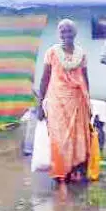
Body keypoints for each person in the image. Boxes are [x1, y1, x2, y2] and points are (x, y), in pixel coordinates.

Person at [37, 19, 93, 182]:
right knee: (59, 136)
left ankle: (75, 171)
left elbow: (85, 78)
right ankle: (61, 171)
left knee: (78, 136)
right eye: (63, 31)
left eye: (69, 31)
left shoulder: (81, 53)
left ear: (74, 33)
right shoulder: (52, 52)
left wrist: (88, 102)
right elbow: (44, 78)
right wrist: (40, 104)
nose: (66, 34)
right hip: (57, 101)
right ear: (59, 34)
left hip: (77, 100)